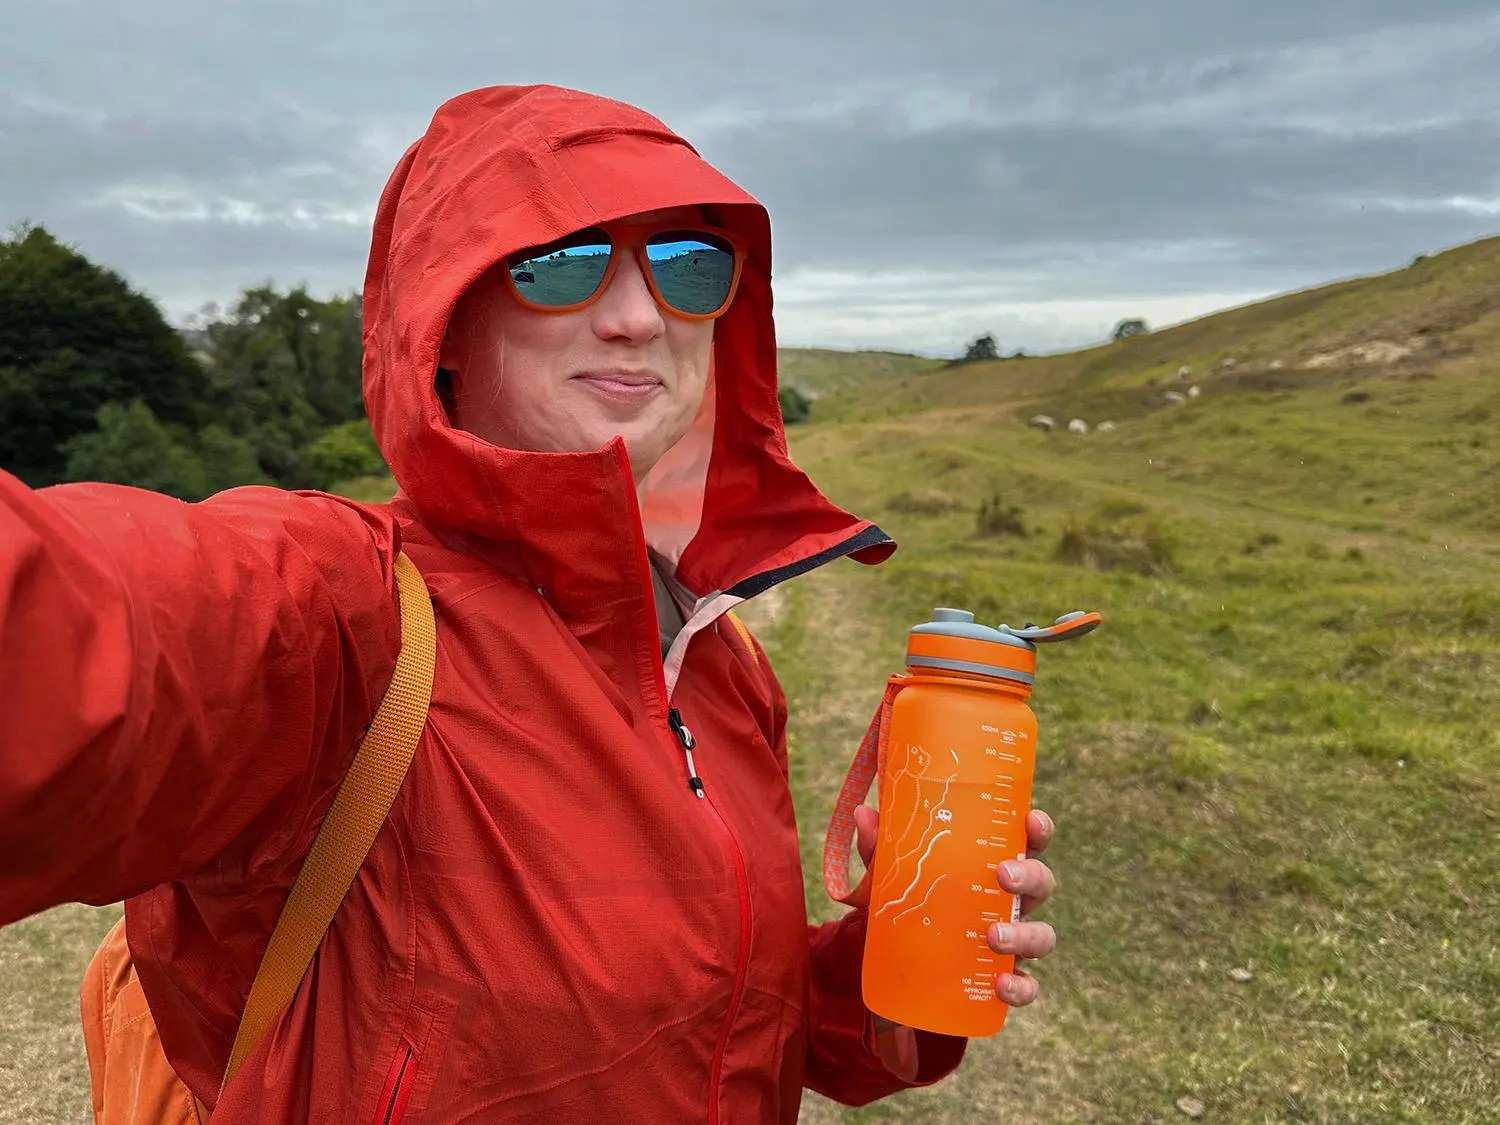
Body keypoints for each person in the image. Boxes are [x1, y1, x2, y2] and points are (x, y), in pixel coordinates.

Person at [0, 84, 1058, 1122]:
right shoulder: (341, 606)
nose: (642, 314)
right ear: (444, 321)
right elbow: (74, 629)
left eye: (690, 266)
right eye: (565, 261)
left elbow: (747, 1031)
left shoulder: (718, 659)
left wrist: (900, 953)